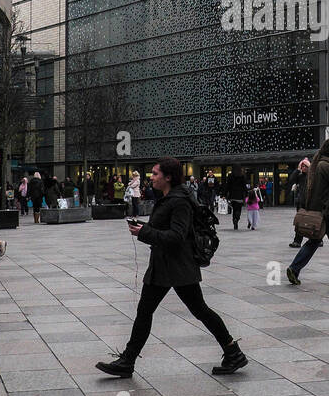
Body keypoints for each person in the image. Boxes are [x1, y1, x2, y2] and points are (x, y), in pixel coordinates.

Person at [96, 157, 245, 378]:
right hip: (166, 265)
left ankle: (233, 352)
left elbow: (177, 236)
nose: (151, 177)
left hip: (176, 267)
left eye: (155, 174)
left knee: (197, 310)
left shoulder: (179, 201)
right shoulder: (168, 198)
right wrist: (144, 228)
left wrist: (143, 233)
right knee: (150, 311)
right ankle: (128, 360)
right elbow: (166, 230)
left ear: (168, 177)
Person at [286, 139, 329, 285]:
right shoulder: (325, 166)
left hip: (320, 210)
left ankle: (294, 268)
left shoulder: (318, 164)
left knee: (314, 241)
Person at [289, 157, 310, 248]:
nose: (304, 168)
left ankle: (317, 239)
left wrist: (310, 168)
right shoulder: (300, 176)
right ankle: (297, 241)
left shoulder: (312, 175)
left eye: (306, 166)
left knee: (312, 221)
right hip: (301, 203)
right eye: (302, 166)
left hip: (311, 203)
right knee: (299, 222)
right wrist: (298, 169)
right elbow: (291, 179)